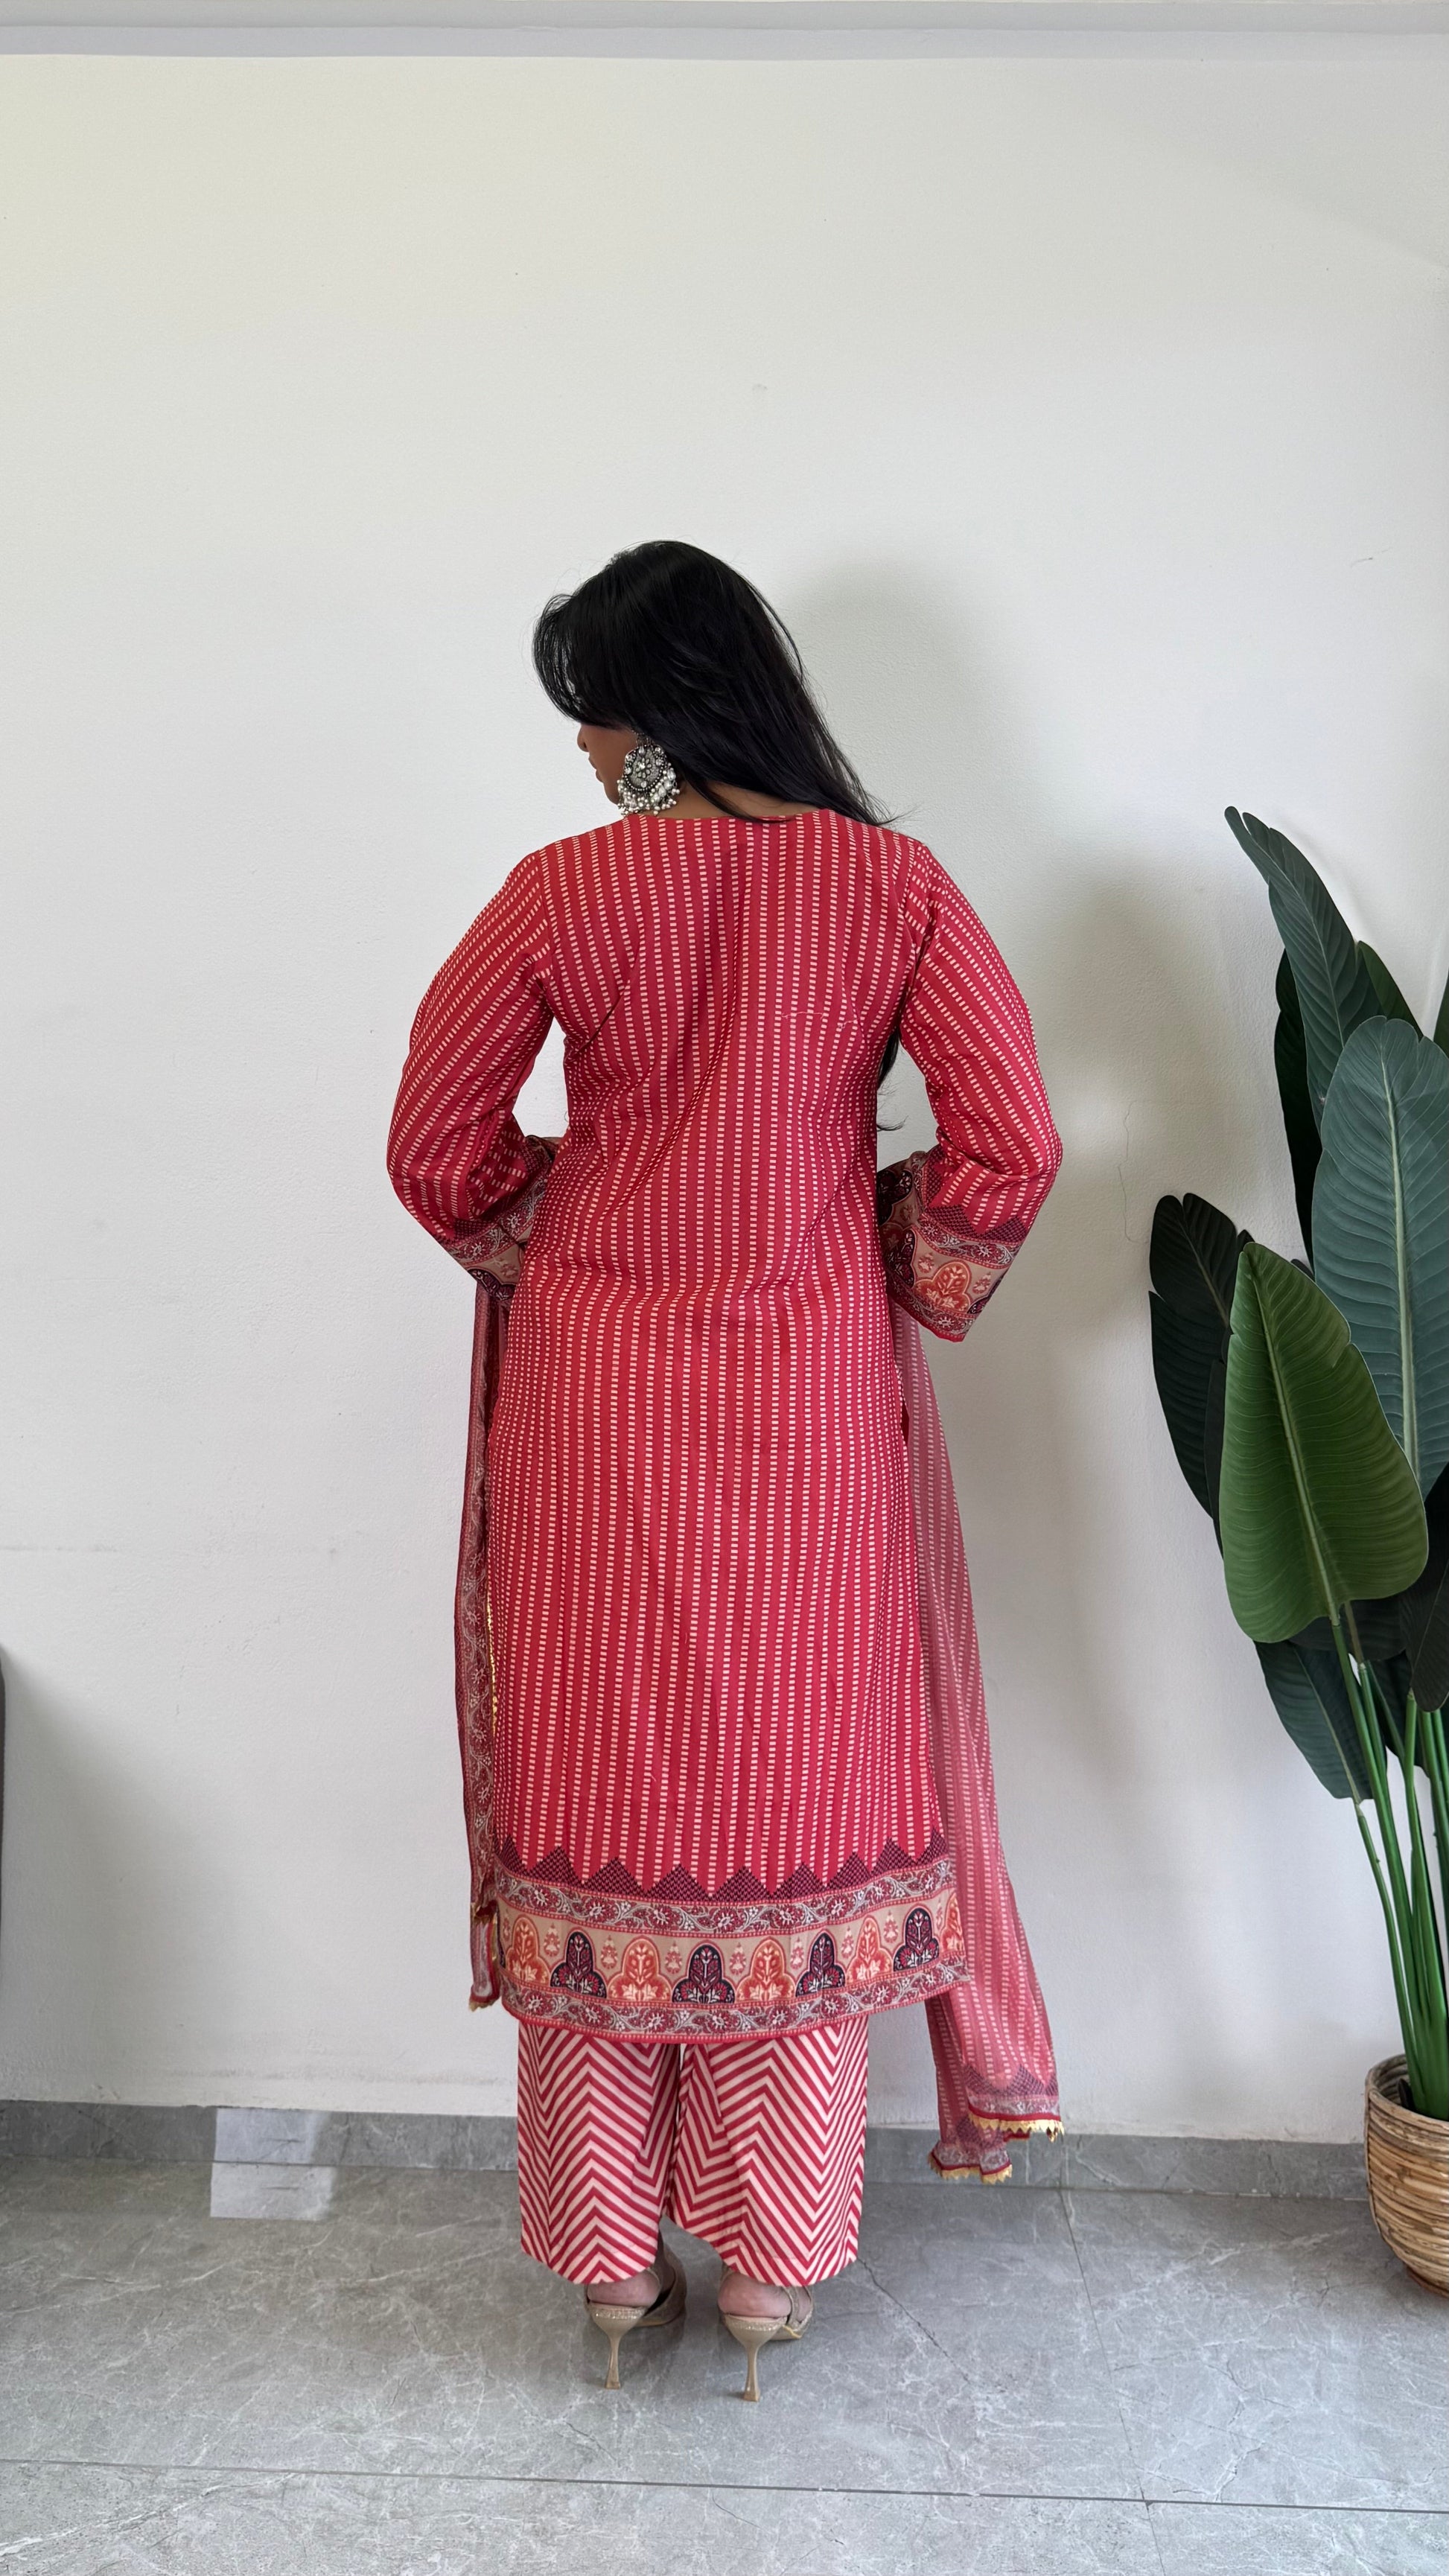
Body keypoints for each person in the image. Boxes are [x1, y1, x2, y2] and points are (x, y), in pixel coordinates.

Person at [387, 540, 1063, 2402]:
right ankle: (768, 2270)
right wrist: (885, 1252)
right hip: (808, 1406)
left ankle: (613, 2267)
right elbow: (1010, 1145)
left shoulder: (561, 892)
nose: (582, 751)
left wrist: (567, 1236)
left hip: (595, 1409)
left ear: (661, 717)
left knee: (600, 1781)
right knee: (794, 1802)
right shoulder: (891, 889)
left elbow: (435, 1147)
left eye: (591, 713)